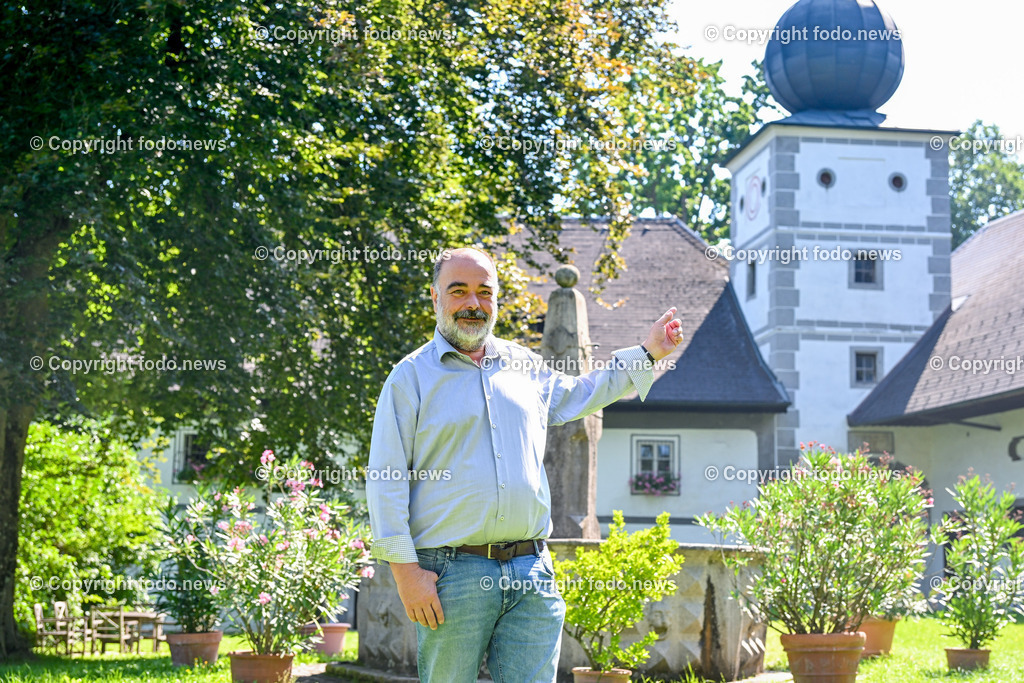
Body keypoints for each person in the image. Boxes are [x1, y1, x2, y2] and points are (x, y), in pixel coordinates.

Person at [366, 246, 684, 682]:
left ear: (496, 300)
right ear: (436, 299)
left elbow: (583, 393)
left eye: (484, 292)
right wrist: (405, 574)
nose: (473, 304)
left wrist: (648, 352)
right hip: (450, 574)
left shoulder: (525, 366)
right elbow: (386, 481)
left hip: (531, 572)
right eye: (458, 291)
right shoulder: (410, 378)